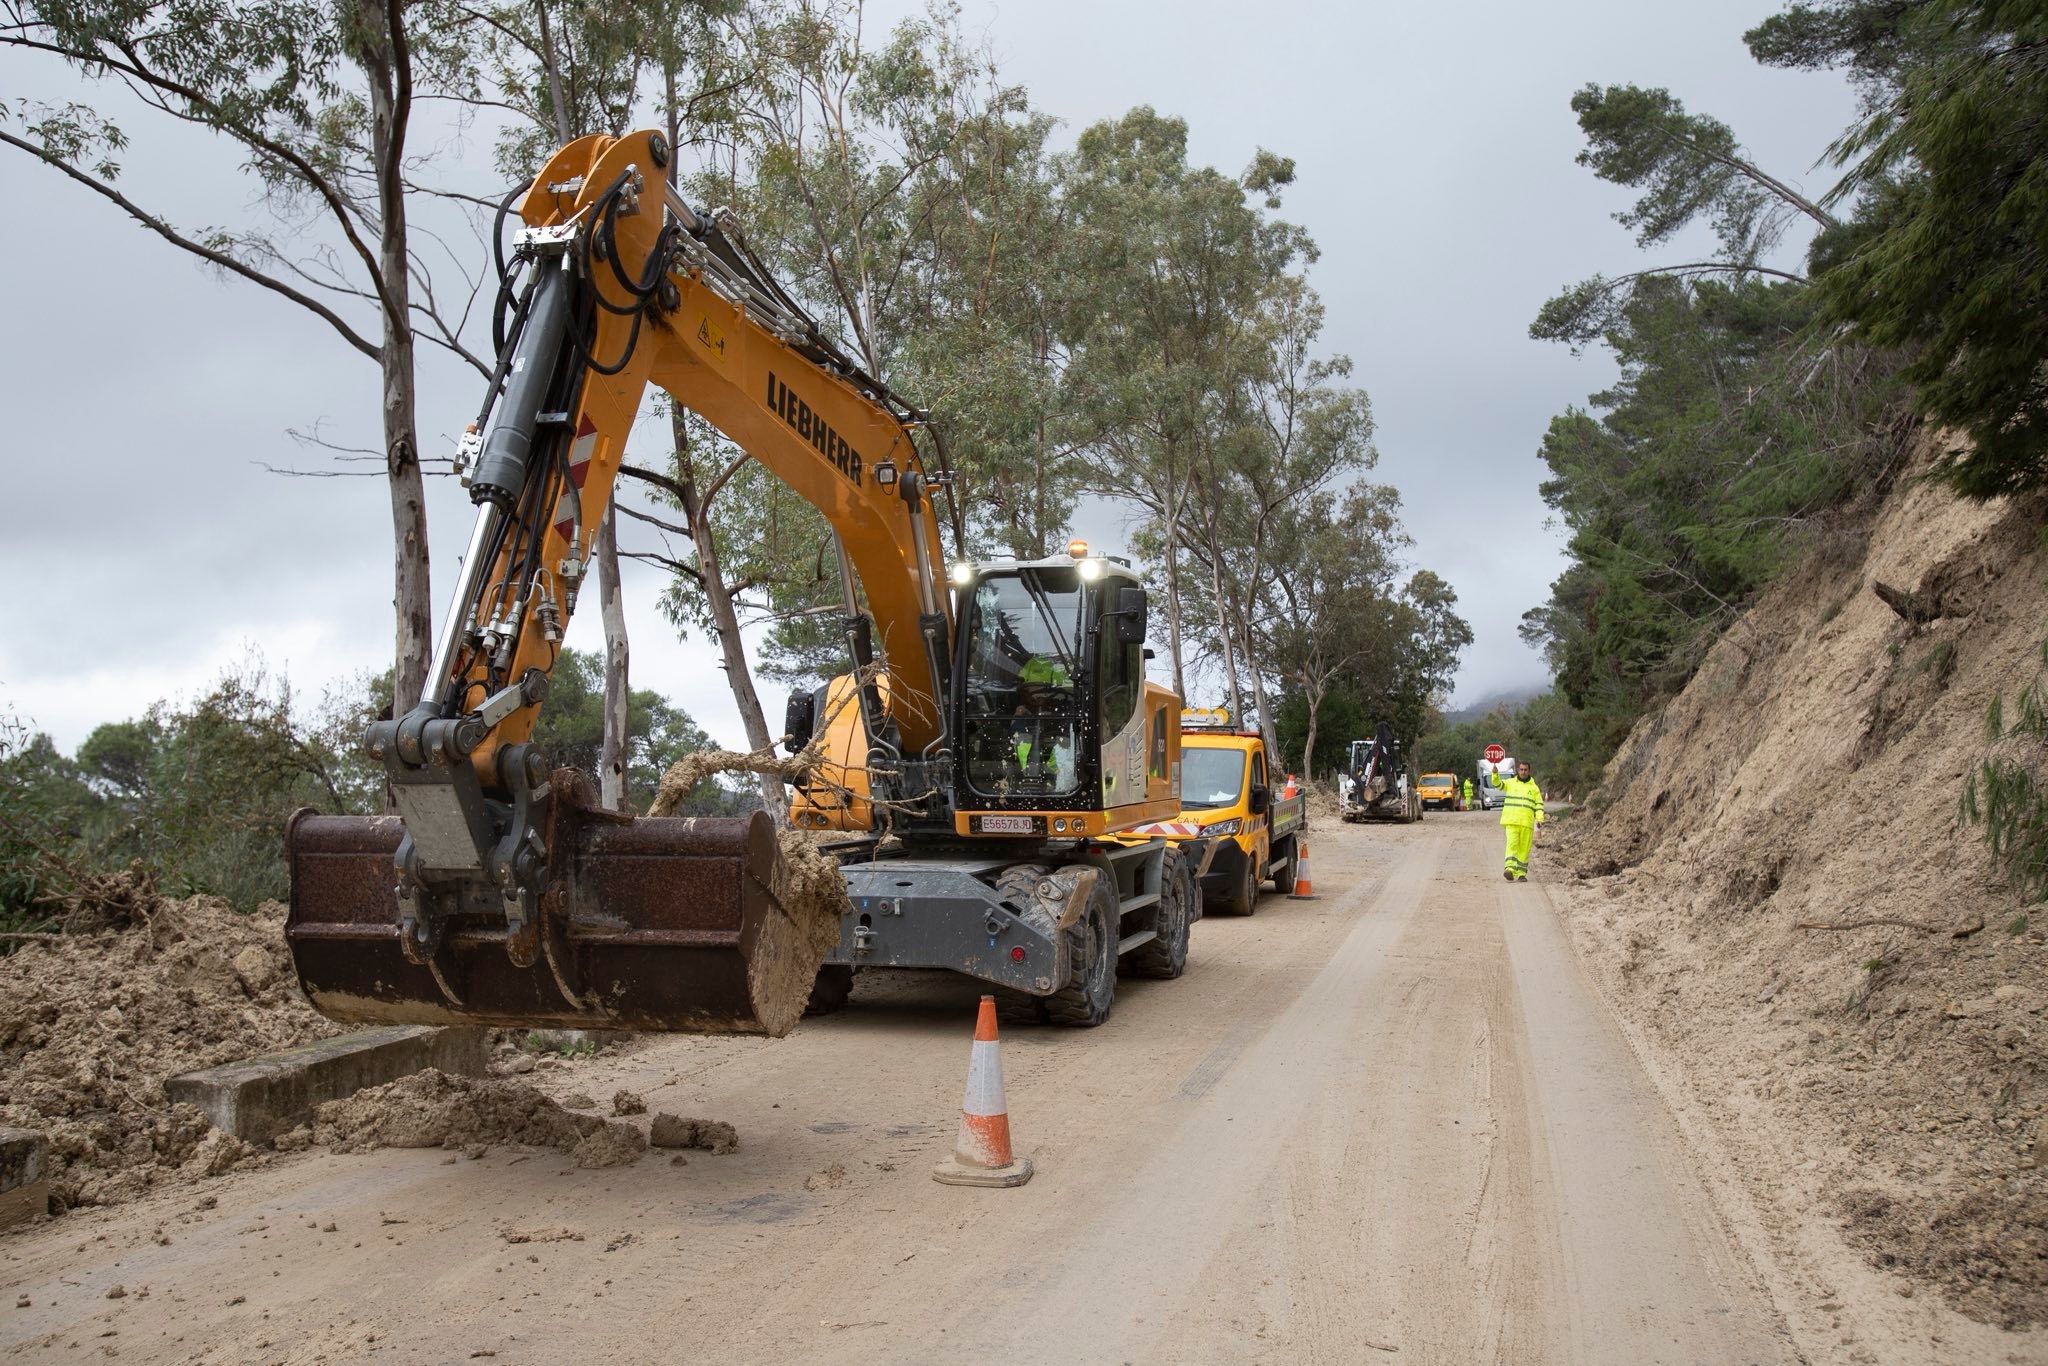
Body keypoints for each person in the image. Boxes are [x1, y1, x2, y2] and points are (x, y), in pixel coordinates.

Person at [1496, 759, 1545, 882]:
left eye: (1525, 770)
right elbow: (1498, 784)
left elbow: (1539, 804)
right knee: (1512, 845)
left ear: (1529, 771)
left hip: (1526, 823)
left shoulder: (1534, 788)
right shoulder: (1510, 783)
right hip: (1512, 821)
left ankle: (1521, 874)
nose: (1523, 772)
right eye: (1521, 769)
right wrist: (1495, 774)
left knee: (1524, 849)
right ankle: (1509, 869)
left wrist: (1539, 818)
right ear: (1518, 770)